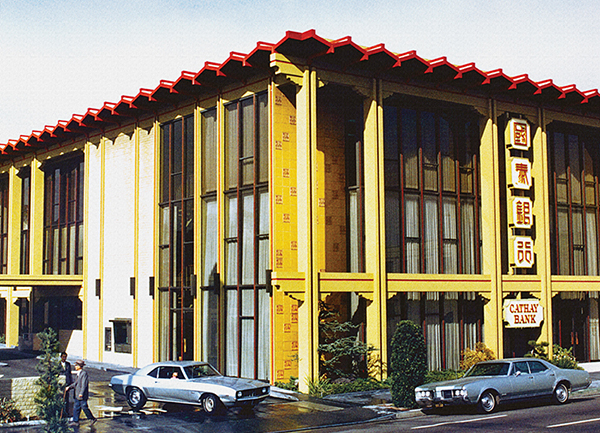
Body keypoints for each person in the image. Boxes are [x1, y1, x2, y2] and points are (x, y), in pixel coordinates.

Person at [66, 360, 97, 427]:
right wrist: (69, 387)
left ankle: (92, 418)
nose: (75, 366)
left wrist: (81, 393)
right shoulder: (78, 373)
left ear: (80, 366)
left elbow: (84, 385)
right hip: (77, 395)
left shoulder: (84, 374)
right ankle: (75, 421)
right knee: (76, 408)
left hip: (81, 395)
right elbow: (76, 384)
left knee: (84, 407)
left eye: (76, 365)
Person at [59, 352, 73, 418]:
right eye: (63, 357)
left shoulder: (68, 364)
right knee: (61, 398)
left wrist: (70, 383)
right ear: (61, 357)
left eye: (65, 357)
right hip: (61, 384)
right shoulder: (58, 365)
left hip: (67, 383)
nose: (64, 358)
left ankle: (66, 412)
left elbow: (69, 374)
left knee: (67, 398)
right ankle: (61, 412)